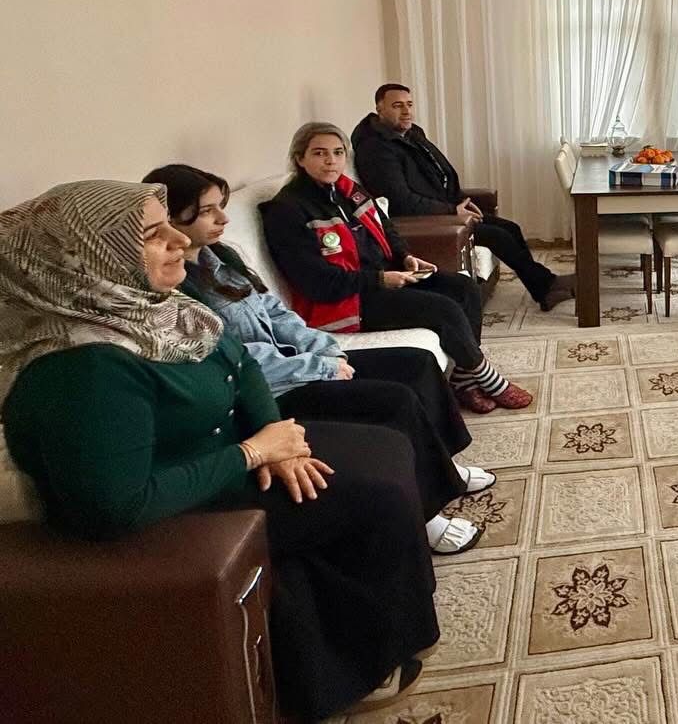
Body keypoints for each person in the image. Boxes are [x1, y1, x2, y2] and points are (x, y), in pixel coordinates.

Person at [0, 180, 443, 718]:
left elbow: (241, 363)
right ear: (83, 259)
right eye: (151, 235)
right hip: (180, 501)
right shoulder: (82, 367)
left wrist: (279, 440)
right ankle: (365, 661)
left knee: (386, 449)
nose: (179, 241)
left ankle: (373, 629)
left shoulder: (150, 306)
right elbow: (113, 506)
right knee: (374, 494)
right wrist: (253, 453)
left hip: (231, 449)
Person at [149, 163, 497, 554]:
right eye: (207, 211)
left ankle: (442, 469)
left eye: (221, 207)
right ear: (172, 218)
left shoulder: (220, 257)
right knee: (395, 400)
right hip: (273, 391)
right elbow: (239, 360)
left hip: (299, 361)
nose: (223, 218)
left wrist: (324, 347)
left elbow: (274, 311)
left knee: (417, 363)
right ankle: (426, 515)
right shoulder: (178, 288)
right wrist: (322, 366)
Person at [262, 121, 531, 415]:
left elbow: (386, 226)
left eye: (338, 153)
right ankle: (489, 380)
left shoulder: (348, 191)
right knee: (444, 310)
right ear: (299, 158)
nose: (331, 161)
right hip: (346, 300)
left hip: (385, 277)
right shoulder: (287, 210)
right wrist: (380, 279)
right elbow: (315, 281)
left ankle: (465, 378)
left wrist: (404, 256)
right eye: (319, 153)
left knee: (463, 287)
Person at [352, 83, 574, 310]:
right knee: (499, 236)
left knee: (511, 228)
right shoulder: (375, 149)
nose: (407, 111)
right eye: (397, 106)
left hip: (443, 210)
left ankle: (545, 286)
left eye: (409, 104)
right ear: (380, 109)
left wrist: (460, 202)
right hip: (422, 220)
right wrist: (452, 211)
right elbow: (401, 201)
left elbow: (439, 174)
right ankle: (546, 287)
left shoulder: (411, 134)